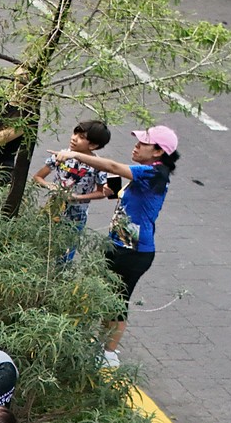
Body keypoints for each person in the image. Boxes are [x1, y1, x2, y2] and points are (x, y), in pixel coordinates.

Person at [50, 125, 181, 367]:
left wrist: (75, 155)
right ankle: (101, 345)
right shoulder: (150, 173)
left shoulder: (151, 173)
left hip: (133, 251)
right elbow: (116, 187)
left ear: (158, 152)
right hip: (119, 244)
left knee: (118, 301)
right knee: (107, 297)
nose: (136, 146)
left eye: (143, 144)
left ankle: (109, 354)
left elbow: (111, 167)